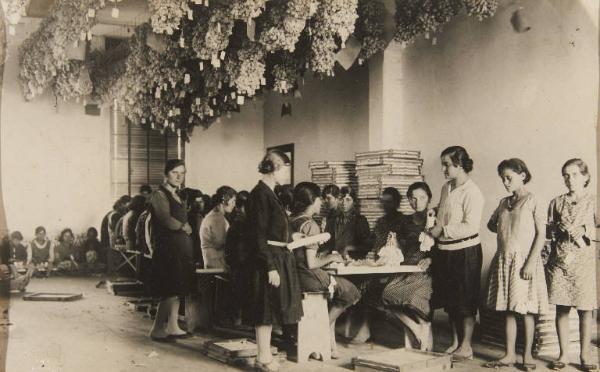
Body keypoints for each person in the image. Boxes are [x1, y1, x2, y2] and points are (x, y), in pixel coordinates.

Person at [484, 159, 548, 370]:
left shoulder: (533, 200)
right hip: (505, 259)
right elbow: (492, 226)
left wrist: (530, 263)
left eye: (508, 177)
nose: (505, 182)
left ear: (522, 175)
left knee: (526, 310)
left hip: (524, 262)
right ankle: (509, 354)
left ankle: (527, 356)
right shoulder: (504, 202)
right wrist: (501, 216)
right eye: (502, 178)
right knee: (508, 310)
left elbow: (541, 235)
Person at [290, 182, 361, 359]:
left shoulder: (291, 220)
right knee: (351, 292)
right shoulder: (311, 225)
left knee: (339, 291)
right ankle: (318, 333)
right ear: (313, 201)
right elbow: (312, 263)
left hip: (294, 276)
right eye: (319, 199)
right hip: (309, 276)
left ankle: (326, 341)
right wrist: (331, 258)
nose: (321, 203)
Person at [427, 146, 484, 361]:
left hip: (465, 252)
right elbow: (445, 208)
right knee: (451, 300)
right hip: (445, 250)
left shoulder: (473, 192)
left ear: (460, 164)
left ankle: (466, 346)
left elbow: (471, 226)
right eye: (443, 164)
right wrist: (434, 210)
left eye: (446, 164)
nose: (443, 168)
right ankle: (454, 342)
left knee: (465, 300)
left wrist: (443, 230)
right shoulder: (446, 187)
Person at [248, 150, 303, 372]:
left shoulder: (270, 193)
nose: (287, 175)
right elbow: (258, 235)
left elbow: (274, 229)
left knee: (270, 309)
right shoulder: (260, 194)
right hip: (268, 260)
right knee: (265, 309)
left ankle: (264, 355)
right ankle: (262, 358)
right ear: (276, 167)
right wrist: (270, 267)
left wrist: (291, 237)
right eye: (286, 169)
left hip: (277, 255)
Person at [546, 159, 597, 372]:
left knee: (585, 309)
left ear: (585, 177)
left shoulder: (594, 201)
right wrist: (557, 230)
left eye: (575, 174)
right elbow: (548, 232)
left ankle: (585, 356)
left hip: (584, 263)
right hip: (561, 261)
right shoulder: (556, 202)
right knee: (562, 307)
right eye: (566, 175)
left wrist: (586, 230)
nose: (570, 179)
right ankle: (564, 354)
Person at [377, 183, 435, 351]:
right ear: (409, 200)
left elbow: (440, 246)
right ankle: (417, 327)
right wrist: (391, 253)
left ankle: (423, 328)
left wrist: (431, 260)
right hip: (406, 267)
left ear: (429, 198)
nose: (418, 202)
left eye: (422, 198)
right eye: (413, 198)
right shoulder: (406, 221)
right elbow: (400, 246)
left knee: (412, 298)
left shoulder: (434, 219)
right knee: (386, 294)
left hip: (425, 269)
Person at [148, 159, 195, 341]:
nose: (179, 177)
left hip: (180, 249)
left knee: (177, 289)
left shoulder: (178, 195)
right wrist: (184, 227)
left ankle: (173, 326)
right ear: (166, 174)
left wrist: (186, 226)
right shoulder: (159, 194)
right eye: (175, 172)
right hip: (168, 249)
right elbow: (165, 218)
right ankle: (157, 329)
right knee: (169, 289)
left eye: (182, 173)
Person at [225, 190, 252, 325]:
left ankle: (239, 318)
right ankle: (238, 319)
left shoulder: (237, 222)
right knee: (240, 290)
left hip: (238, 262)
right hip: (240, 263)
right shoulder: (239, 224)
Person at [323, 186, 371, 259]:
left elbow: (367, 246)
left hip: (354, 261)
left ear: (354, 202)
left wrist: (348, 248)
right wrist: (324, 251)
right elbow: (330, 243)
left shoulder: (360, 221)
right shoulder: (334, 220)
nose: (344, 203)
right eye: (341, 199)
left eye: (348, 200)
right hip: (336, 260)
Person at [200, 186, 237, 269]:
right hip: (217, 264)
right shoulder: (217, 217)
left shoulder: (215, 215)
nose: (234, 205)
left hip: (213, 261)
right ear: (225, 200)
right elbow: (221, 242)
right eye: (233, 201)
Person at [183, 188, 205, 267]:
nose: (200, 204)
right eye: (197, 202)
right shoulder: (198, 217)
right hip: (195, 257)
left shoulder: (184, 215)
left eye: (201, 201)